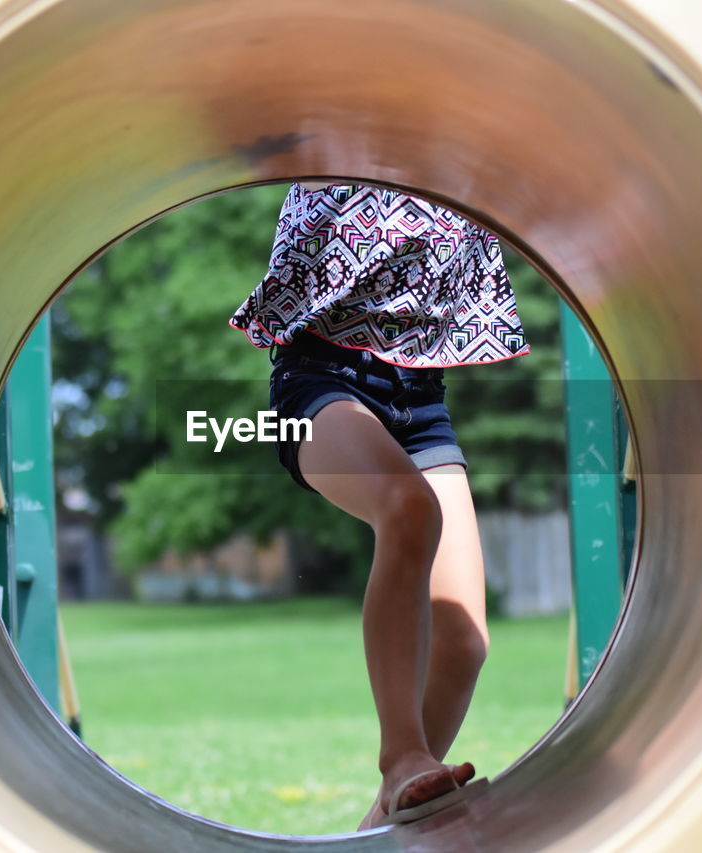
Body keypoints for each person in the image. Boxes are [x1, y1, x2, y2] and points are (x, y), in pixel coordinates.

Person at [229, 182, 529, 829]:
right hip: (320, 381)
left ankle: (372, 835)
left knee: (464, 639)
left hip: (420, 397)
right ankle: (402, 755)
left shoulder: (465, 149)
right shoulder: (353, 129)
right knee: (409, 507)